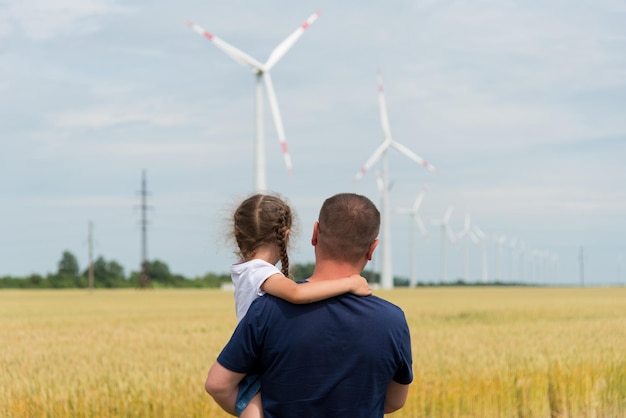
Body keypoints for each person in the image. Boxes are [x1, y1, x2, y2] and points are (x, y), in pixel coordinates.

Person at [205, 193, 413, 417]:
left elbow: (218, 384)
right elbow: (394, 400)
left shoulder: (266, 308)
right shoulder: (393, 320)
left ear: (315, 234)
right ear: (372, 249)